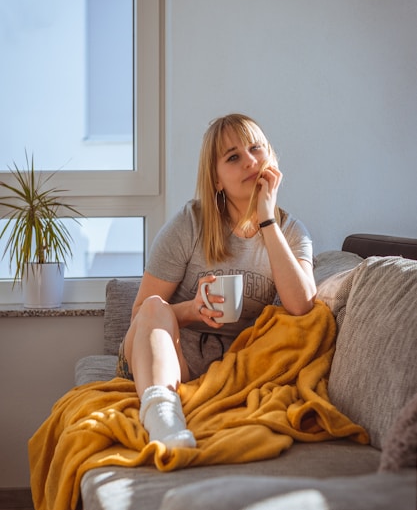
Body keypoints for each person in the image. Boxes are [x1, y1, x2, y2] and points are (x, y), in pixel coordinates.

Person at [117, 113, 317, 449]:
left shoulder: (292, 232)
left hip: (232, 368)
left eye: (257, 149)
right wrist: (193, 311)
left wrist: (267, 220)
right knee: (154, 306)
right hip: (168, 355)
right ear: (217, 179)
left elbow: (303, 306)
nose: (251, 162)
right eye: (233, 157)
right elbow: (140, 315)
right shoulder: (190, 224)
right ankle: (163, 421)